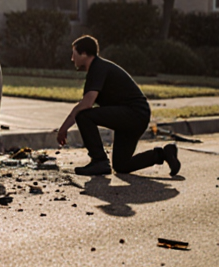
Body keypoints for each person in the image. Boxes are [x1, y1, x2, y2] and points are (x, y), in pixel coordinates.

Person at [56, 35, 181, 176]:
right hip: (135, 116)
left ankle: (99, 161)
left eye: (74, 54)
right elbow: (85, 102)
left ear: (84, 54)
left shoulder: (98, 68)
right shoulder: (97, 69)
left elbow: (86, 104)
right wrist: (64, 127)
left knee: (83, 116)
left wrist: (63, 129)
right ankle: (164, 154)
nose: (72, 59)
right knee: (121, 165)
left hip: (134, 113)